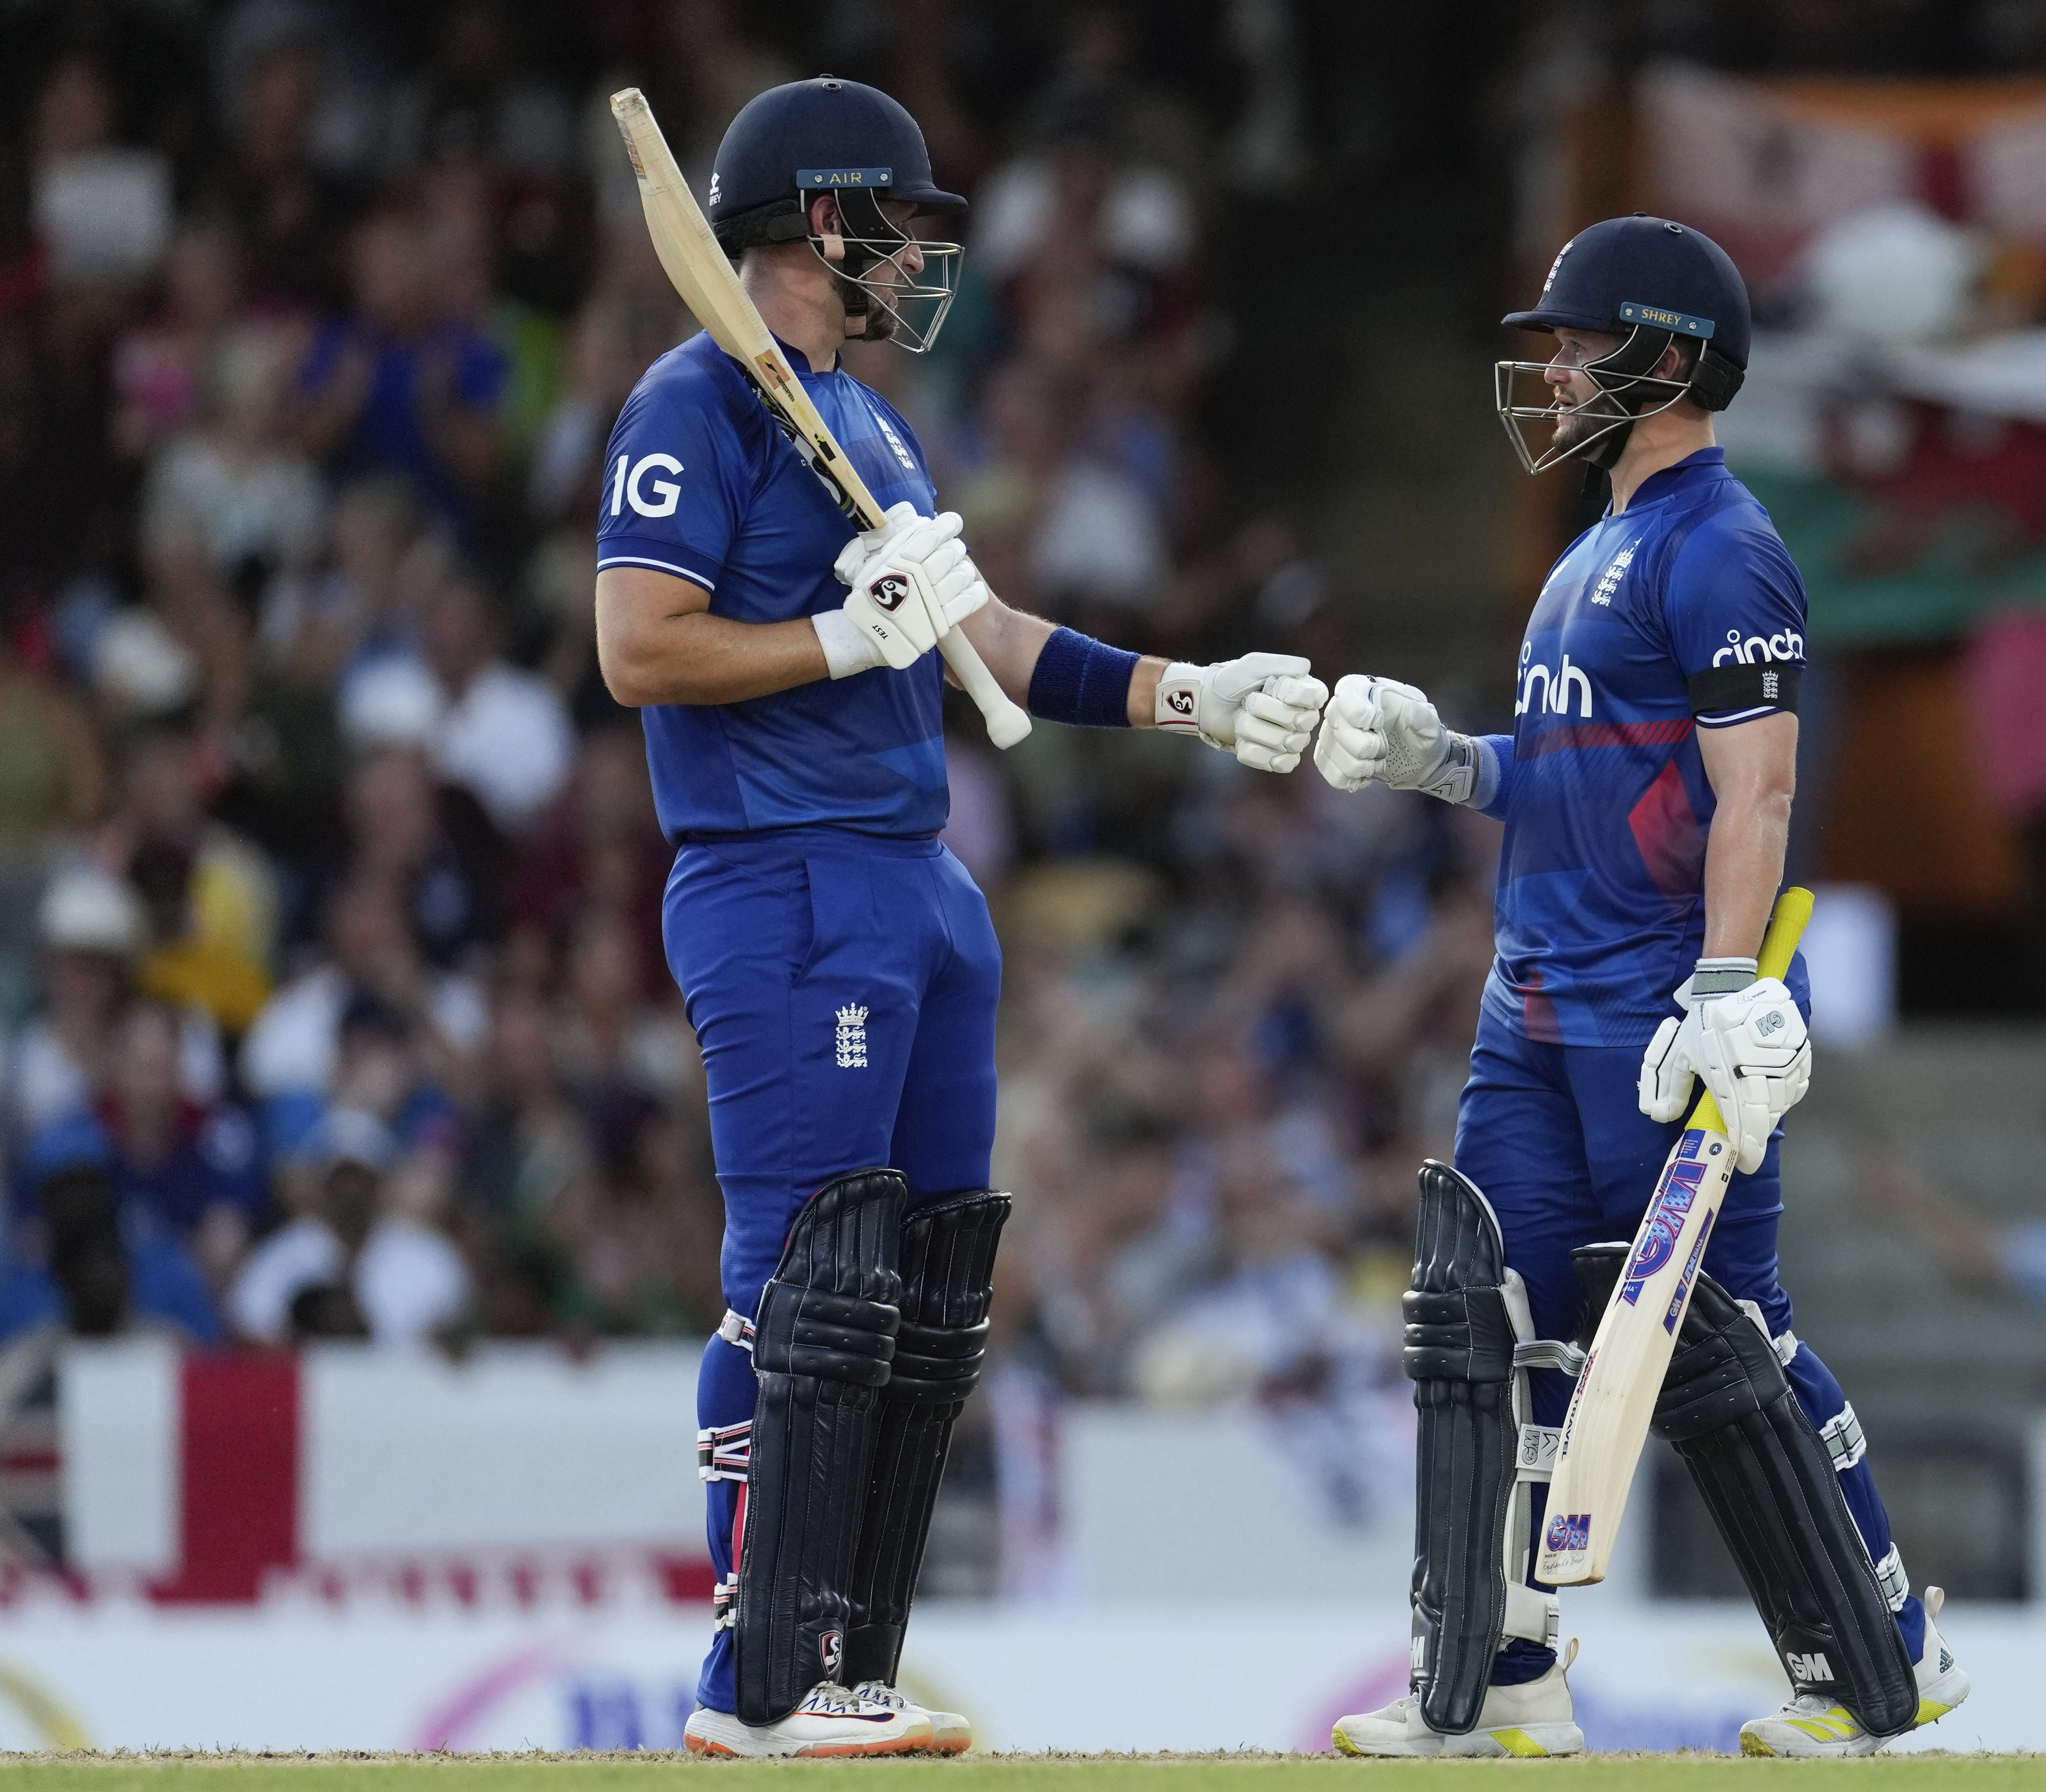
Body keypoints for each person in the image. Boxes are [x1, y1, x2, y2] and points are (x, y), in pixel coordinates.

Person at [587, 78, 1328, 1759]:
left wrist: (1189, 695)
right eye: (899, 225)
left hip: (917, 876)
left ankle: (840, 1657)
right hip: (785, 873)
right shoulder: (694, 401)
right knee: (801, 1286)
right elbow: (639, 648)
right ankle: (752, 1677)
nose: (922, 255)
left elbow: (985, 634)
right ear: (819, 224)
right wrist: (843, 645)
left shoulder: (867, 420)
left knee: (921, 1299)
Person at [1309, 215, 1968, 1759]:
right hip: (1531, 1004)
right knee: (1493, 1323)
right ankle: (1496, 1679)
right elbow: (1565, 781)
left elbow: (1757, 794)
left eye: (1574, 341)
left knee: (1730, 1338)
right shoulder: (1588, 549)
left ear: (1666, 359)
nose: (1545, 367)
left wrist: (1730, 990)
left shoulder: (1721, 543)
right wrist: (1440, 761)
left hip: (1656, 1012)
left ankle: (1883, 1654)